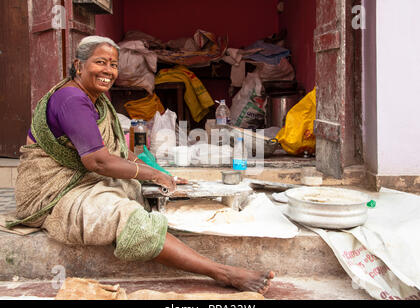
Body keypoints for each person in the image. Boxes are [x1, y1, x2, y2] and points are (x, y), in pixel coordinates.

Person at [9, 36, 274, 294]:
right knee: (124, 213)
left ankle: (158, 235)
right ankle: (221, 272)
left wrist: (157, 173)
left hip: (79, 180)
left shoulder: (95, 99)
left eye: (113, 65)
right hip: (52, 193)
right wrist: (150, 173)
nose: (108, 71)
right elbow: (99, 160)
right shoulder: (71, 99)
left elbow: (118, 152)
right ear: (78, 66)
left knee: (136, 185)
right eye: (100, 62)